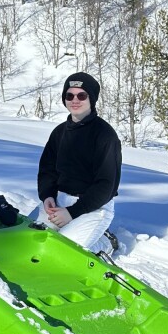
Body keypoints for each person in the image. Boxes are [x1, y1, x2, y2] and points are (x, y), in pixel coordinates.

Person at [36, 72, 121, 255]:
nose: (75, 100)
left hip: (93, 207)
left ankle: (105, 243)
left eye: (81, 95)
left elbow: (106, 185)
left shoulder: (105, 136)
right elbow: (47, 170)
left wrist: (72, 212)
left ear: (91, 99)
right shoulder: (59, 132)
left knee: (63, 252)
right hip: (60, 201)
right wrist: (48, 196)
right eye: (69, 95)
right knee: (32, 238)